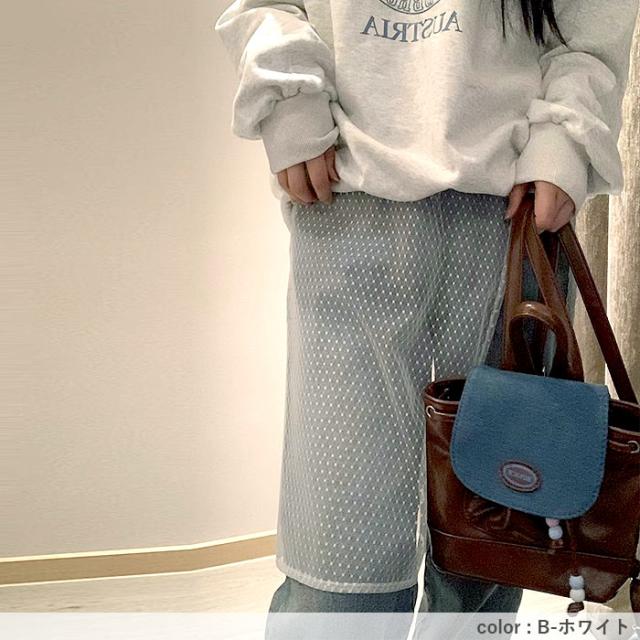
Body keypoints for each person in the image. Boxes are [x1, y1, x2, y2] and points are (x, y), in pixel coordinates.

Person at [214, 0, 638, 635]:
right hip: (352, 195)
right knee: (339, 555)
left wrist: (563, 141)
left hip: (512, 210)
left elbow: (591, 21)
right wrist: (291, 103)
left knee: (488, 541)